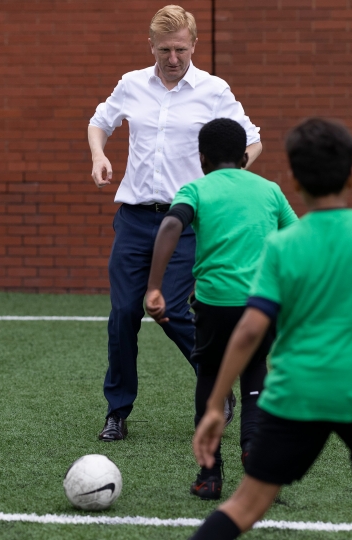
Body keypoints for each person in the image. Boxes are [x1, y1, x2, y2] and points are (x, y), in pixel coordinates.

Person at [189, 118, 352, 539]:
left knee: (246, 505)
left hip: (295, 395)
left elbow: (250, 330)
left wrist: (215, 406)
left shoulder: (283, 245)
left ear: (296, 182)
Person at [88, 5, 262, 441]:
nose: (172, 58)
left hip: (186, 221)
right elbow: (100, 121)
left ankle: (219, 388)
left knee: (171, 310)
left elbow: (253, 141)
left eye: (180, 49)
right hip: (133, 219)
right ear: (151, 46)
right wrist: (99, 154)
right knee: (123, 314)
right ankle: (117, 411)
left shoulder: (213, 90)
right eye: (164, 49)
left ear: (194, 45)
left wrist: (224, 184)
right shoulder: (131, 84)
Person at [144, 118, 297, 499]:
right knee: (257, 377)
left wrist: (155, 287)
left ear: (202, 158)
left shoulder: (195, 188)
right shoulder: (270, 190)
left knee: (211, 379)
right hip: (261, 305)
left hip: (214, 305)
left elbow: (169, 228)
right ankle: (255, 457)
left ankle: (209, 475)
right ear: (246, 156)